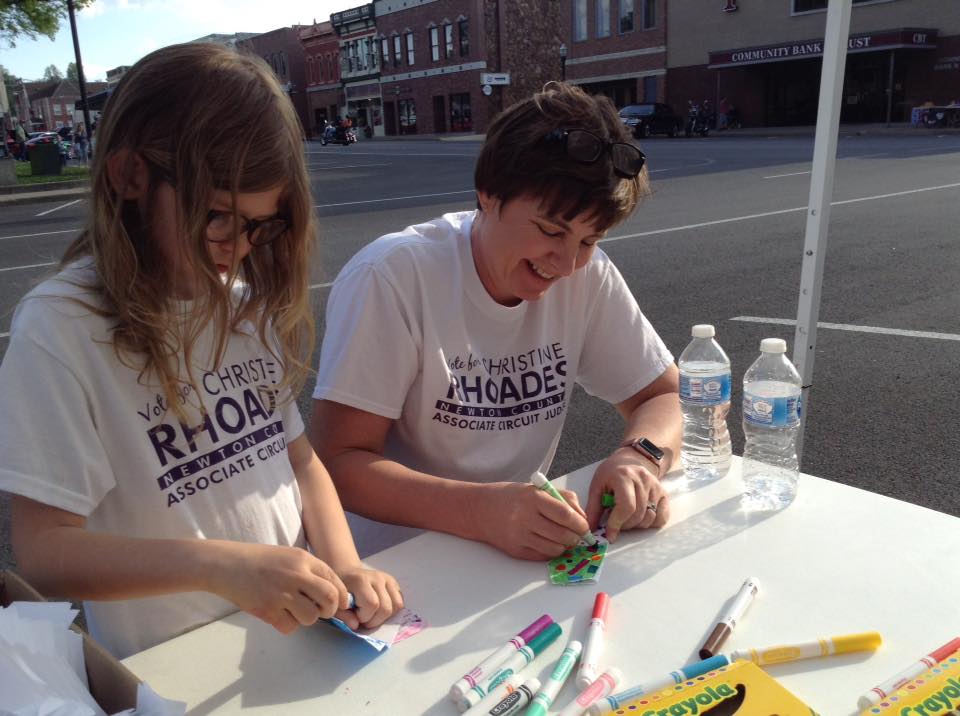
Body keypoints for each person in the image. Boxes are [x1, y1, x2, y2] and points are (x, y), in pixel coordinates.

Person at [0, 43, 402, 660]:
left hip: (294, 643)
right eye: (219, 216)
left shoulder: (242, 306)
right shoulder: (61, 330)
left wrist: (344, 563)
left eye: (260, 226)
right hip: (175, 670)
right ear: (132, 176)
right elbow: (46, 552)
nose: (238, 247)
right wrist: (222, 567)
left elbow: (299, 462)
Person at [311, 82, 681, 560]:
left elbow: (664, 395)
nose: (567, 264)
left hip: (517, 551)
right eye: (551, 230)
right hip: (393, 567)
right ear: (488, 194)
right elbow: (339, 462)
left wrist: (640, 457)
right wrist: (481, 512)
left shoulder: (588, 277)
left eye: (590, 240)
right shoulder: (392, 276)